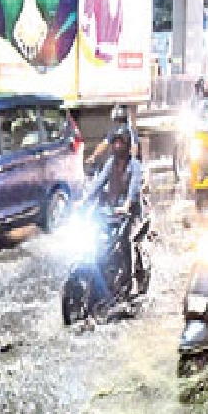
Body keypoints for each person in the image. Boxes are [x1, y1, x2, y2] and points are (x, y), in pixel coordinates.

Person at [82, 125, 146, 297]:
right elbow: (99, 182)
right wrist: (84, 201)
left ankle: (130, 281)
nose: (117, 146)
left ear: (126, 145)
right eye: (115, 143)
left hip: (131, 212)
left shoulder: (135, 166)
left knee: (126, 241)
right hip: (112, 211)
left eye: (121, 143)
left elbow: (134, 188)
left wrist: (126, 205)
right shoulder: (111, 163)